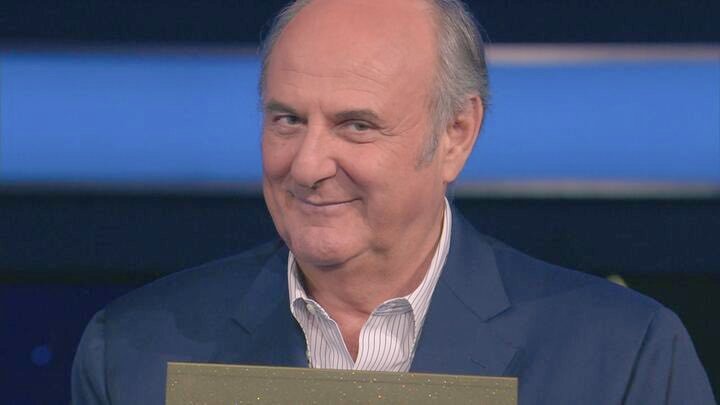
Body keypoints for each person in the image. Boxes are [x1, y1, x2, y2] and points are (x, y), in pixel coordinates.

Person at [72, 0, 716, 403]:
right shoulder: (131, 354)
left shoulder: (623, 359)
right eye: (287, 119)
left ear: (456, 134)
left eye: (356, 125)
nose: (307, 166)